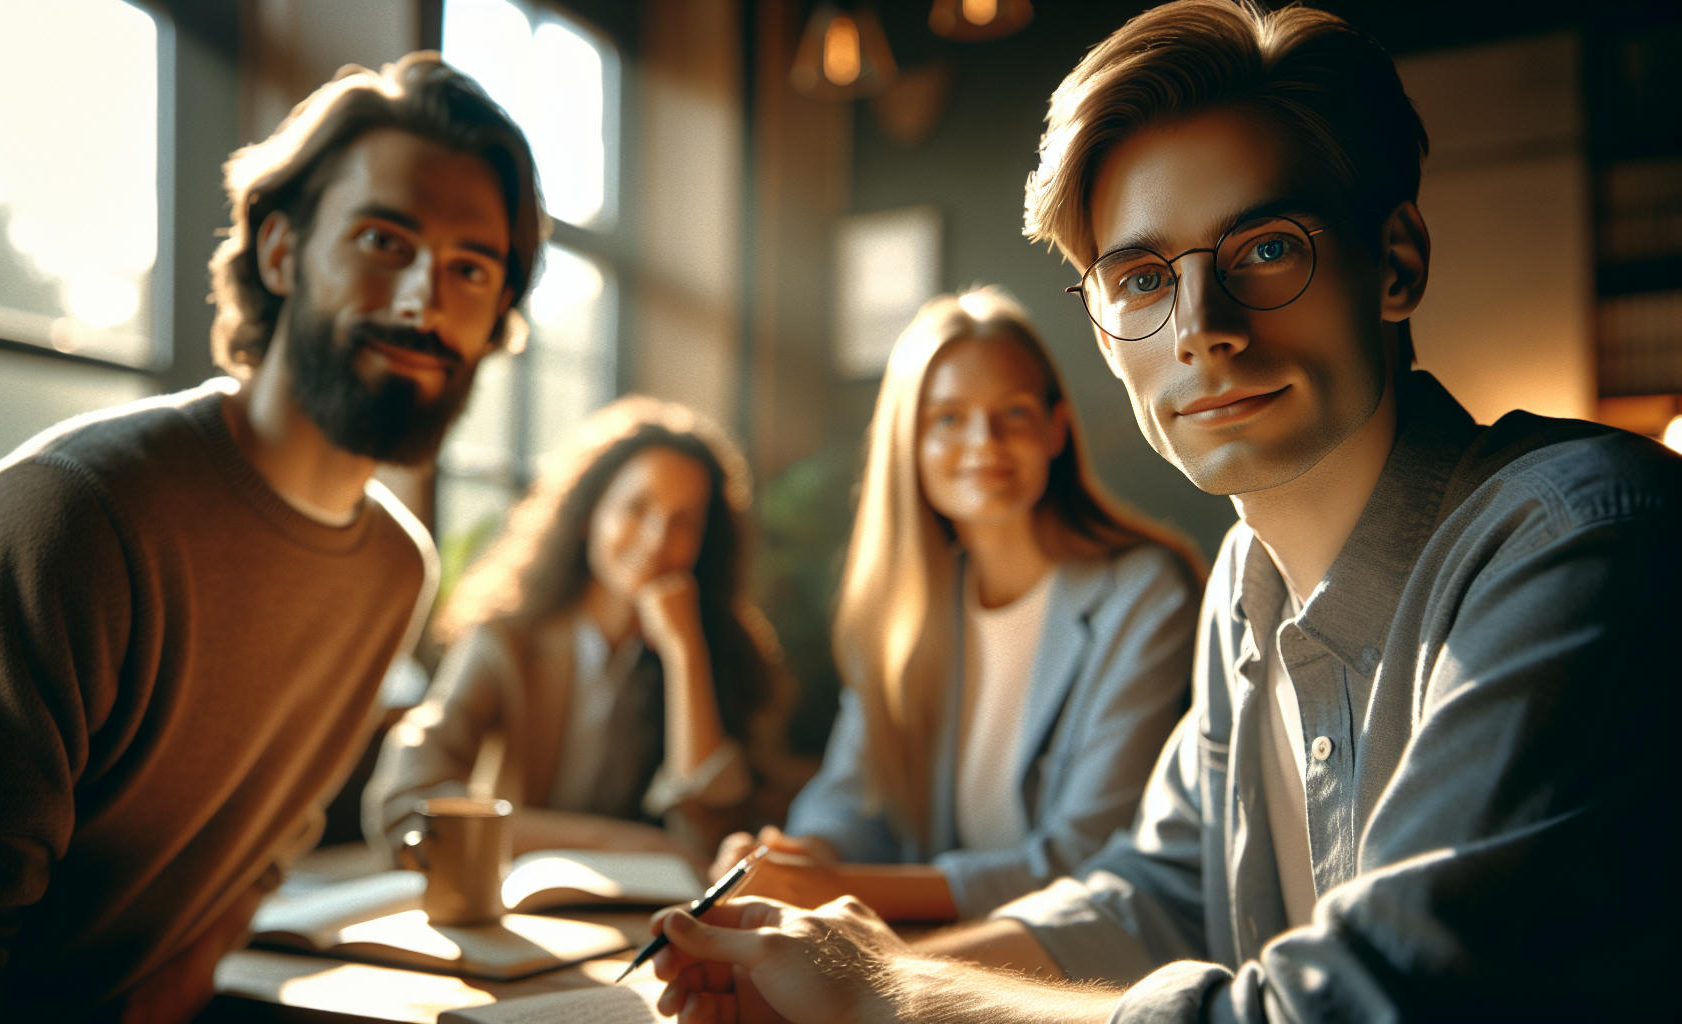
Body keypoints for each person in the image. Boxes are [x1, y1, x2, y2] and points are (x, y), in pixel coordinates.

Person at [643, 1, 1682, 1020]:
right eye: (1140, 277)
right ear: (1102, 332)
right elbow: (1157, 890)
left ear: (1395, 261)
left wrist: (900, 990)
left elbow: (1364, 1001)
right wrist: (806, 971)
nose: (1200, 329)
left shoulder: (1582, 540)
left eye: (1266, 247)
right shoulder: (1241, 579)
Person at [0, 52, 543, 1020]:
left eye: (470, 268)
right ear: (280, 252)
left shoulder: (395, 570)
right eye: (382, 239)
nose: (422, 301)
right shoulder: (70, 515)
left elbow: (251, 862)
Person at [712, 287, 1200, 922]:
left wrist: (827, 889)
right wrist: (792, 857)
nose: (983, 443)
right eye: (947, 418)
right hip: (933, 953)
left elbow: (1088, 854)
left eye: (1014, 414)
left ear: (1056, 429)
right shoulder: (904, 607)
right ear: (907, 444)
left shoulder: (1144, 593)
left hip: (1082, 969)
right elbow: (851, 801)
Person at [364, 394, 796, 868]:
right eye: (636, 507)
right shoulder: (506, 639)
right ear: (592, 514)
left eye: (683, 522)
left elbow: (711, 841)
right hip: (522, 906)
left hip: (649, 915)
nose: (656, 540)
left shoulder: (719, 654)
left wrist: (685, 654)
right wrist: (619, 842)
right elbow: (405, 804)